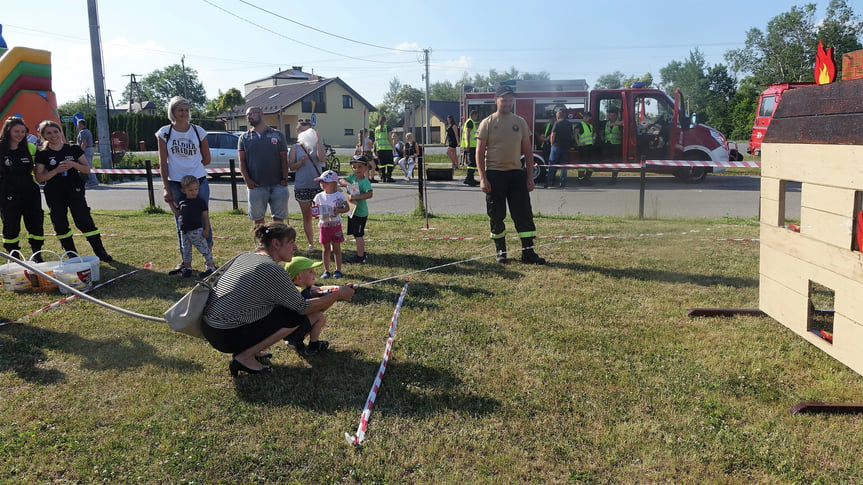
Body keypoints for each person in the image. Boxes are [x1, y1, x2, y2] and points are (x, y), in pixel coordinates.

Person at [203, 223, 356, 375]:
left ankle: (252, 350)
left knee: (284, 309)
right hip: (226, 335)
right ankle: (244, 357)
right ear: (276, 244)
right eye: (291, 242)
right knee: (293, 315)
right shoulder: (271, 268)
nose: (295, 248)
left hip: (211, 328)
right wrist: (338, 294)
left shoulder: (246, 256)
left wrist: (316, 291)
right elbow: (303, 308)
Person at [476, 84, 545, 265]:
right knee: (496, 215)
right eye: (503, 99)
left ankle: (528, 253)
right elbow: (479, 152)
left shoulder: (520, 122)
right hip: (494, 175)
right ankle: (501, 251)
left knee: (523, 214)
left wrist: (530, 177)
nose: (507, 103)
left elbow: (528, 152)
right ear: (496, 100)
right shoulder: (487, 123)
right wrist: (482, 178)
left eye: (509, 100)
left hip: (516, 175)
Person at [34, 120, 112, 262]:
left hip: (74, 189)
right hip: (54, 192)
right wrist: (57, 170)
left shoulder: (73, 149)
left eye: (56, 132)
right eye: (49, 133)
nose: (53, 135)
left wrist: (72, 164)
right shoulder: (43, 154)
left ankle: (100, 252)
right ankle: (72, 254)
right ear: (43, 136)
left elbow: (87, 168)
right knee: (60, 222)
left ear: (60, 132)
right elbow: (39, 178)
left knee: (84, 220)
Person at [156, 96, 212, 275]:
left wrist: (192, 168)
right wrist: (166, 187)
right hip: (175, 182)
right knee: (181, 220)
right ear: (172, 112)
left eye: (187, 110)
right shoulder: (164, 132)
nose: (184, 113)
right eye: (180, 110)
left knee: (203, 217)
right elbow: (163, 162)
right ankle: (185, 260)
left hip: (198, 180)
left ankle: (209, 260)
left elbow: (207, 158)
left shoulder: (198, 131)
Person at [0, 117, 44, 261]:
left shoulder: (29, 147)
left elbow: (41, 164)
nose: (20, 134)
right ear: (8, 131)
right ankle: (13, 256)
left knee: (35, 222)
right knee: (11, 224)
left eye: (22, 131)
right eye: (16, 131)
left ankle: (37, 254)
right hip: (7, 192)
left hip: (29, 191)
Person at [239, 106, 289, 227]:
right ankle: (262, 244)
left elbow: (283, 159)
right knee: (258, 220)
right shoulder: (244, 137)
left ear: (261, 114)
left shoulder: (277, 135)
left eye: (251, 114)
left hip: (278, 184)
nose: (249, 117)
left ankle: (277, 244)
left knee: (278, 221)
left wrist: (284, 179)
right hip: (256, 186)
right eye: (247, 115)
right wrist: (247, 181)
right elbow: (242, 162)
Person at [289, 119, 325, 253]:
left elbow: (322, 159)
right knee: (307, 216)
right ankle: (311, 244)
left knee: (323, 215)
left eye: (309, 131)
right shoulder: (295, 148)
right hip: (302, 186)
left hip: (318, 185)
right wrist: (300, 162)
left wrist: (318, 141)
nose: (307, 134)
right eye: (304, 131)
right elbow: (291, 167)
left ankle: (325, 241)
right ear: (298, 132)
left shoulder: (316, 145)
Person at [284, 256, 341, 340]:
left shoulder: (296, 286)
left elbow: (319, 289)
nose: (314, 274)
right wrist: (337, 295)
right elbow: (319, 307)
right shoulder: (301, 292)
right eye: (310, 271)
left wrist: (338, 288)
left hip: (287, 330)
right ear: (299, 278)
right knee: (319, 316)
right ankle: (313, 345)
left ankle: (295, 341)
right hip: (292, 331)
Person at [172, 175, 216, 278]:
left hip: (197, 230)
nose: (193, 192)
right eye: (190, 190)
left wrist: (206, 229)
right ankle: (187, 268)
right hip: (184, 231)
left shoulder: (200, 202)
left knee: (204, 249)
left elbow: (205, 216)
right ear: (183, 190)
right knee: (186, 250)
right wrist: (171, 204)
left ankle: (211, 267)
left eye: (196, 189)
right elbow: (177, 213)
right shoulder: (182, 202)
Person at [312, 170, 349, 279]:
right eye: (321, 182)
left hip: (335, 225)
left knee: (337, 248)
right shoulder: (319, 196)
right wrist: (317, 215)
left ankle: (338, 270)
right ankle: (326, 270)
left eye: (325, 182)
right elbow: (316, 210)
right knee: (325, 248)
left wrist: (337, 211)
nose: (322, 184)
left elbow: (346, 208)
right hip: (324, 226)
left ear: (333, 183)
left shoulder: (339, 195)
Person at [341, 155, 373, 264]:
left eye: (359, 167)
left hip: (361, 213)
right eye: (354, 167)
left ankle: (360, 257)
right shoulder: (352, 178)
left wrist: (355, 197)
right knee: (355, 234)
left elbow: (369, 194)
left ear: (365, 168)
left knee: (359, 235)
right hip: (353, 211)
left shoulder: (365, 182)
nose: (357, 169)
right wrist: (348, 184)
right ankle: (361, 252)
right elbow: (342, 180)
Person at [545, 109, 573, 188]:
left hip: (556, 147)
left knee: (551, 164)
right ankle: (562, 182)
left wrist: (551, 144)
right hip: (566, 147)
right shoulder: (569, 124)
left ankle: (549, 181)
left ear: (557, 116)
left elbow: (553, 134)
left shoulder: (556, 123)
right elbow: (571, 134)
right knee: (564, 166)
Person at [575, 111, 598, 185]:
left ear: (590, 117)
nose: (585, 117)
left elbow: (594, 133)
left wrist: (594, 138)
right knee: (582, 165)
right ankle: (581, 180)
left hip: (590, 147)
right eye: (584, 116)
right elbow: (575, 133)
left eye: (587, 116)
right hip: (583, 148)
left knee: (590, 165)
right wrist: (578, 143)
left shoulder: (590, 126)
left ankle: (587, 179)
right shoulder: (580, 124)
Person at [602, 107, 623, 185]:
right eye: (610, 115)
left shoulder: (619, 122)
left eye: (614, 115)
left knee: (615, 162)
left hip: (616, 145)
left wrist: (614, 124)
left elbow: (624, 122)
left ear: (617, 116)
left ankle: (614, 178)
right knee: (608, 161)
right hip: (608, 144)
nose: (612, 117)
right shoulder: (607, 123)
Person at [76, 119, 98, 188]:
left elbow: (84, 142)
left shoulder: (83, 132)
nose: (77, 126)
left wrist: (80, 152)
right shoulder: (87, 131)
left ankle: (94, 181)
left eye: (78, 124)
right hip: (89, 149)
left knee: (88, 166)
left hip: (86, 150)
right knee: (87, 165)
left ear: (81, 125)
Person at [461, 110, 480, 186]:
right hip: (471, 146)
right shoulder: (470, 122)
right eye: (476, 115)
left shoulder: (469, 122)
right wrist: (468, 144)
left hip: (472, 145)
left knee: (472, 162)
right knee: (472, 162)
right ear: (473, 115)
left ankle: (470, 178)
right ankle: (469, 178)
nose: (477, 117)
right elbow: (468, 133)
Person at [374, 116, 394, 182]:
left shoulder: (376, 129)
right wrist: (393, 147)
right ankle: (389, 177)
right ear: (385, 121)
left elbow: (376, 140)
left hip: (380, 149)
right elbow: (390, 138)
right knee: (390, 163)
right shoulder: (387, 127)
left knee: (382, 164)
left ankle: (383, 178)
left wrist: (376, 149)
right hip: (388, 148)